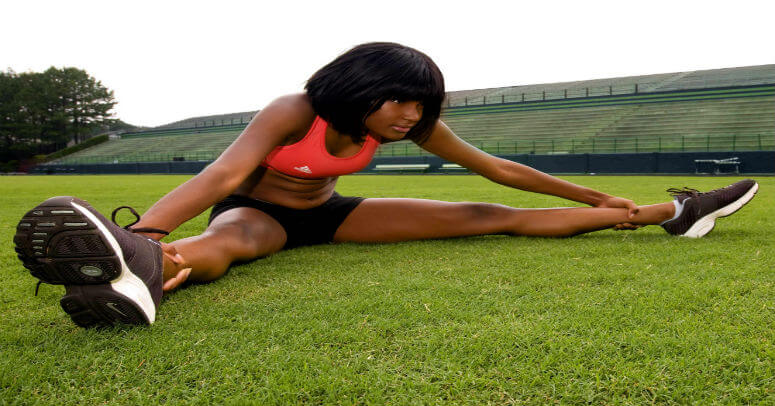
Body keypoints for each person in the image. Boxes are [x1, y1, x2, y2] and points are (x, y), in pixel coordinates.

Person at [14, 43, 759, 327]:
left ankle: (674, 211)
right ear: (358, 86)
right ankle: (143, 265)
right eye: (399, 99)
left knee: (488, 211)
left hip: (331, 214)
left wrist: (590, 195)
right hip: (258, 212)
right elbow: (224, 174)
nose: (411, 115)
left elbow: (496, 170)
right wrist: (145, 227)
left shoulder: (404, 126)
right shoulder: (293, 110)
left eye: (421, 104)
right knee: (227, 240)